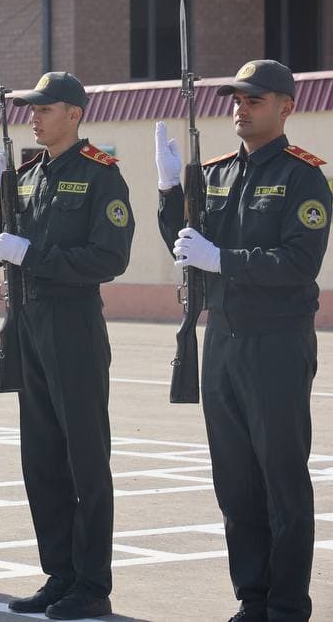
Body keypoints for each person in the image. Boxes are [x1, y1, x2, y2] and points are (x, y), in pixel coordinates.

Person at [155, 59, 328, 622]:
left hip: (277, 342)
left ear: (285, 107)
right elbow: (188, 246)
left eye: (254, 100)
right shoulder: (219, 172)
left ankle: (285, 605)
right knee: (234, 480)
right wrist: (167, 194)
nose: (240, 108)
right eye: (236, 99)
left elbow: (299, 263)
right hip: (223, 338)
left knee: (281, 478)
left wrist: (222, 259)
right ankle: (252, 598)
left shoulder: (305, 176)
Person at [0, 72, 133, 620]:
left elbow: (109, 259)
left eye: (44, 109)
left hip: (72, 326)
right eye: (31, 109)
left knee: (85, 460)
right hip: (27, 325)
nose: (34, 117)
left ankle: (91, 584)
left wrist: (34, 256)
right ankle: (59, 573)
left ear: (73, 113)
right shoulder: (25, 177)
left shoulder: (100, 176)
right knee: (40, 458)